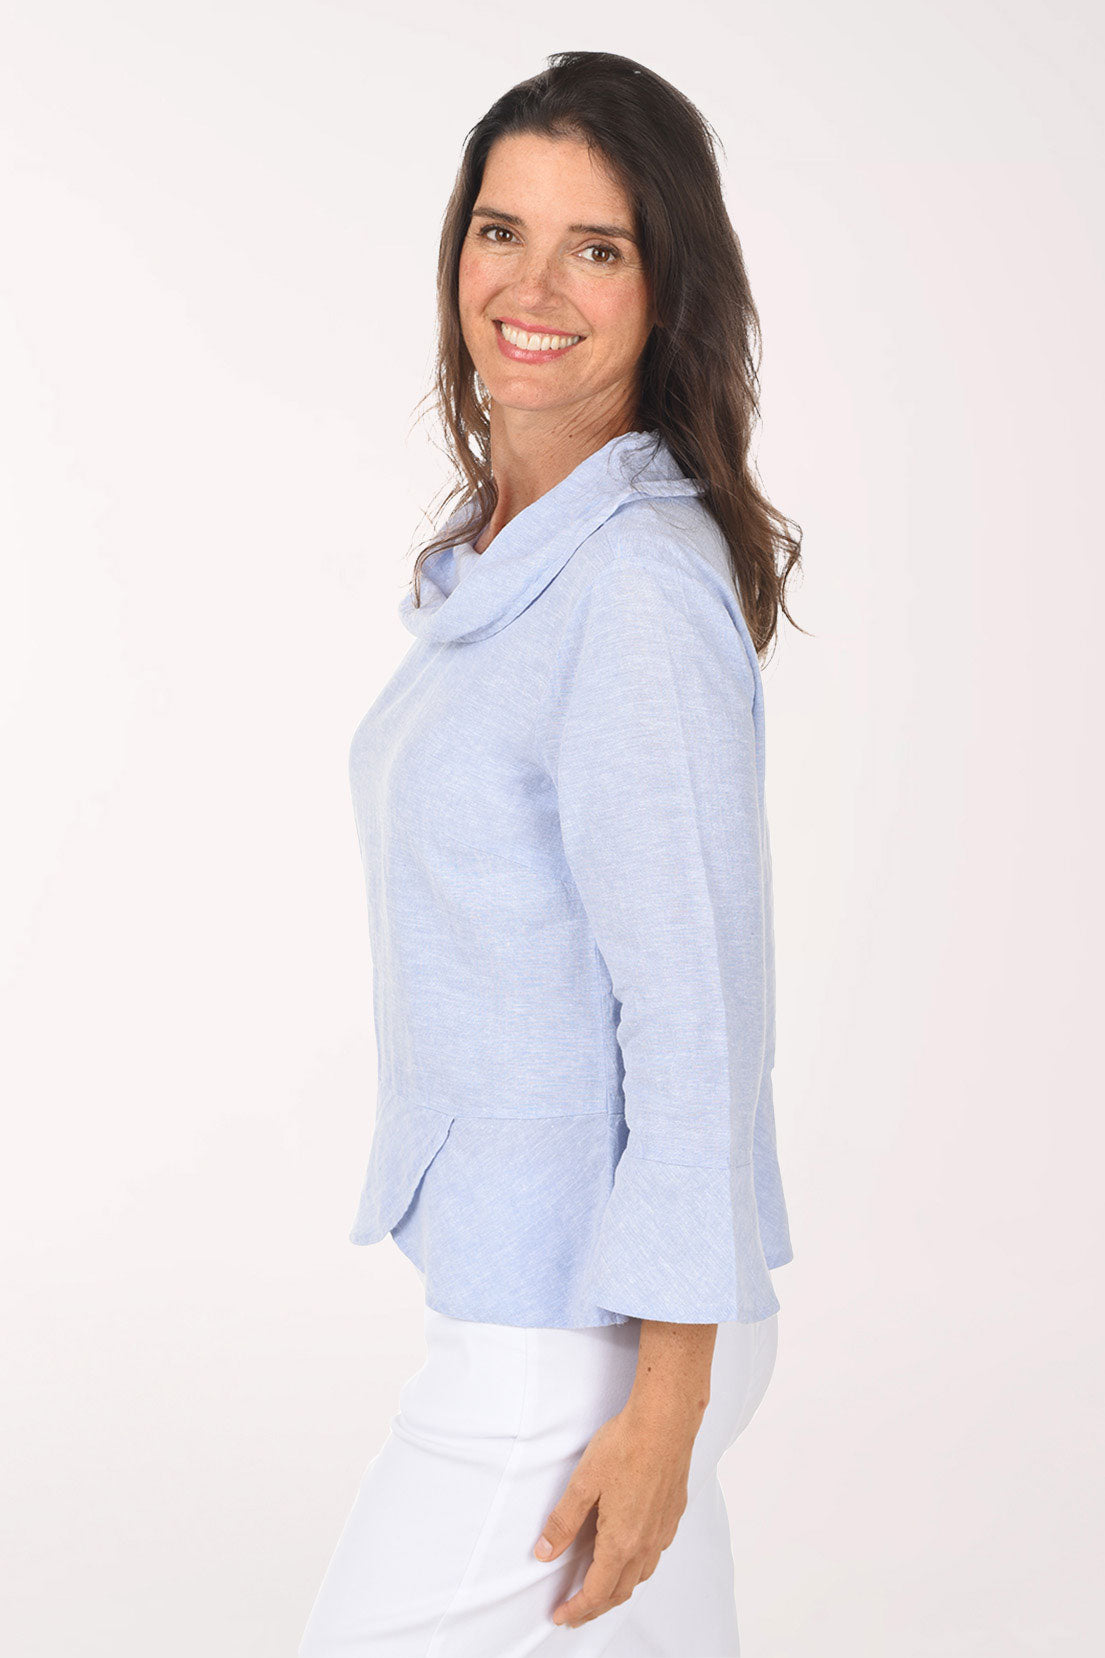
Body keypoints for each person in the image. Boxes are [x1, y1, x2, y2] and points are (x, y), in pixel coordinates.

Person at [300, 48, 803, 1658]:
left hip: (575, 1340)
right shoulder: (518, 553)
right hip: (563, 1304)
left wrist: (664, 1397)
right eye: (499, 231)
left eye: (597, 248)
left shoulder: (634, 594)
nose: (531, 285)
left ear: (667, 290)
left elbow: (695, 1014)